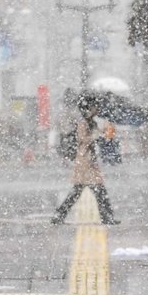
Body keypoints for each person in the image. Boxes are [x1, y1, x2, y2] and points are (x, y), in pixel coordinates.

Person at [51, 95, 120, 225]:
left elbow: (97, 135)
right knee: (96, 190)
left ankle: (59, 216)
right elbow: (83, 139)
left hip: (88, 161)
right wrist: (98, 135)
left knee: (82, 191)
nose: (97, 109)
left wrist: (106, 132)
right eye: (94, 106)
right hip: (85, 161)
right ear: (88, 108)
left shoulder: (91, 122)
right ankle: (107, 217)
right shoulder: (83, 122)